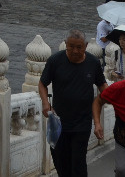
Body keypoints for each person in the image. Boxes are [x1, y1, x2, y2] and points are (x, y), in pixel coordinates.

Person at [39, 29, 106, 177]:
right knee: (61, 163)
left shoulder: (93, 63)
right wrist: (45, 103)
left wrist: (112, 99)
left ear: (86, 46)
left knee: (78, 163)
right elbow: (42, 83)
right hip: (58, 122)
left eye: (79, 47)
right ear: (65, 44)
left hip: (82, 122)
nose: (75, 51)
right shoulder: (55, 61)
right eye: (71, 46)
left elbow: (102, 85)